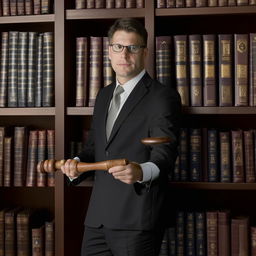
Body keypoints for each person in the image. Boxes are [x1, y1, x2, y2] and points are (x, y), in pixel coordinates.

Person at [61, 18, 181, 256]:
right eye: (118, 46)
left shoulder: (162, 97)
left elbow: (165, 155)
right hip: (97, 219)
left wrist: (140, 172)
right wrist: (75, 164)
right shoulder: (104, 95)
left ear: (144, 52)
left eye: (132, 47)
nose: (124, 54)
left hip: (136, 219)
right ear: (109, 51)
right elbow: (94, 148)